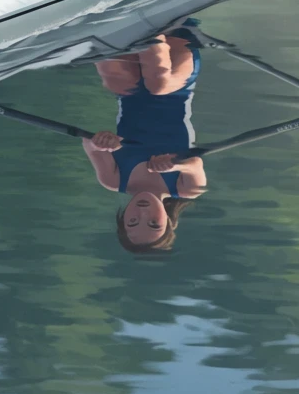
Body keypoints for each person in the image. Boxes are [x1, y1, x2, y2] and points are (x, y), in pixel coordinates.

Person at [82, 30, 208, 253]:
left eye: (132, 222)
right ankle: (155, 26)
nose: (141, 214)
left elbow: (89, 144)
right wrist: (176, 164)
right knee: (158, 84)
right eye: (153, 223)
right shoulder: (188, 188)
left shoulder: (113, 180)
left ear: (123, 219)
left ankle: (104, 26)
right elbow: (195, 164)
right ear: (169, 222)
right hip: (177, 83)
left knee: (114, 79)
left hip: (130, 90)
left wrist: (101, 142)